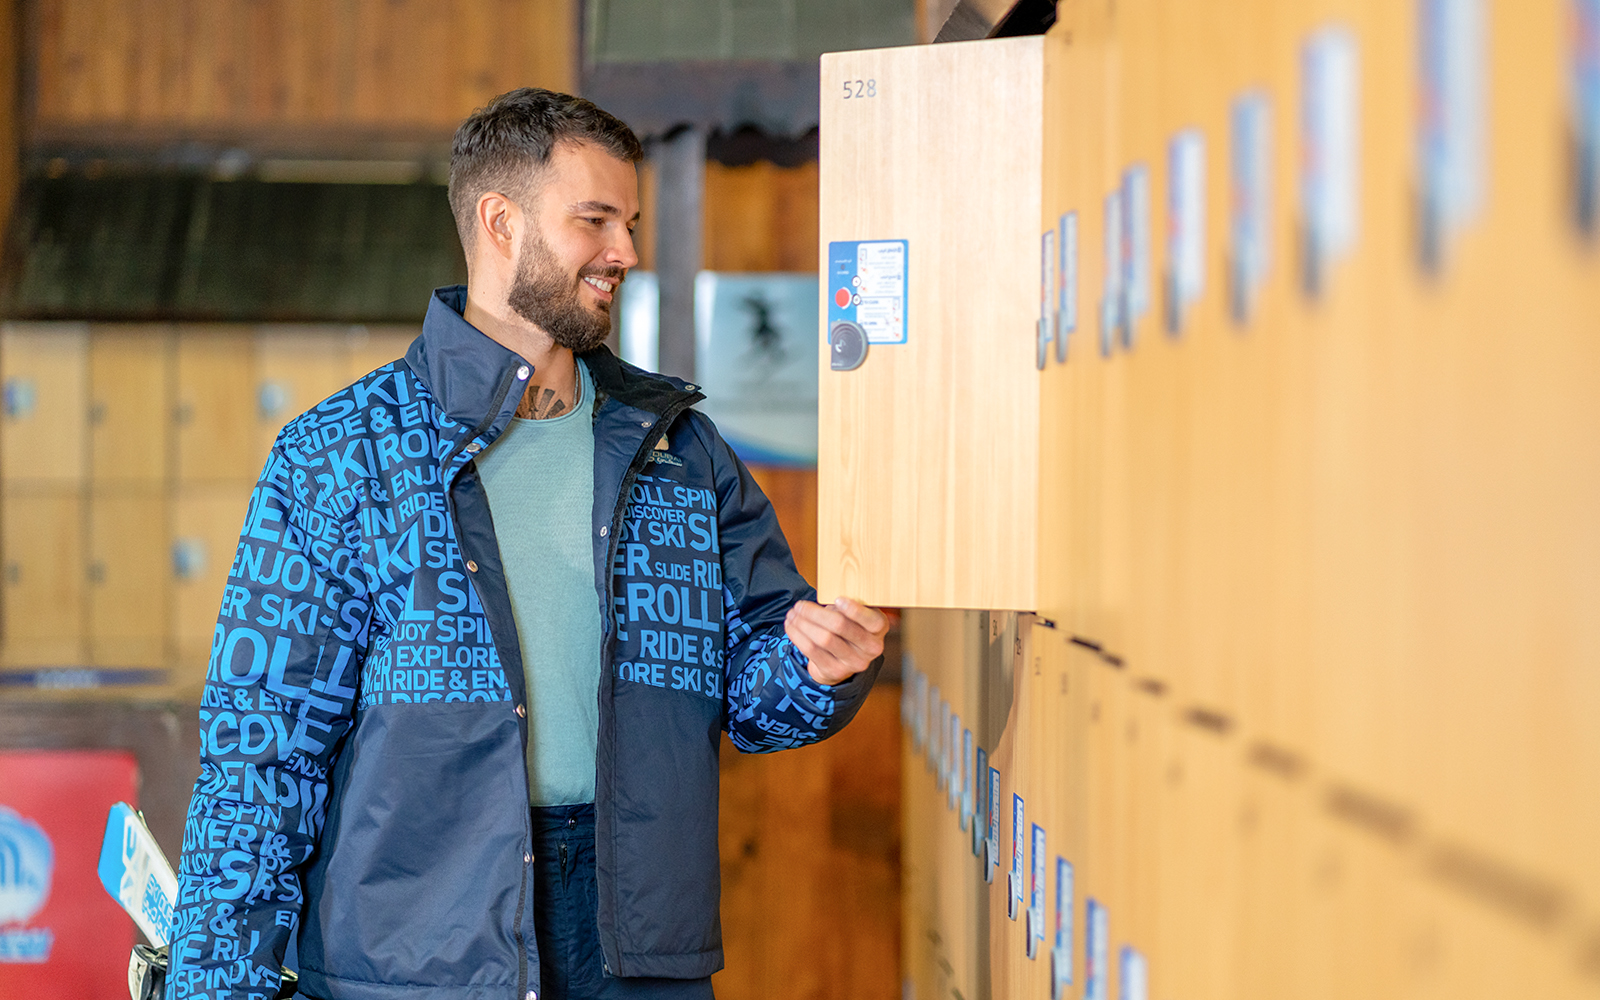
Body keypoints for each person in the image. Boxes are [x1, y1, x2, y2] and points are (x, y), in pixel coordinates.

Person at [165, 88, 889, 1000]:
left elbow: (754, 695)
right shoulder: (343, 454)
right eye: (595, 221)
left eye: (628, 222)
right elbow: (260, 759)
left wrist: (820, 666)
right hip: (413, 957)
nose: (625, 252)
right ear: (500, 222)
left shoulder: (677, 448)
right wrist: (214, 986)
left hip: (635, 944)